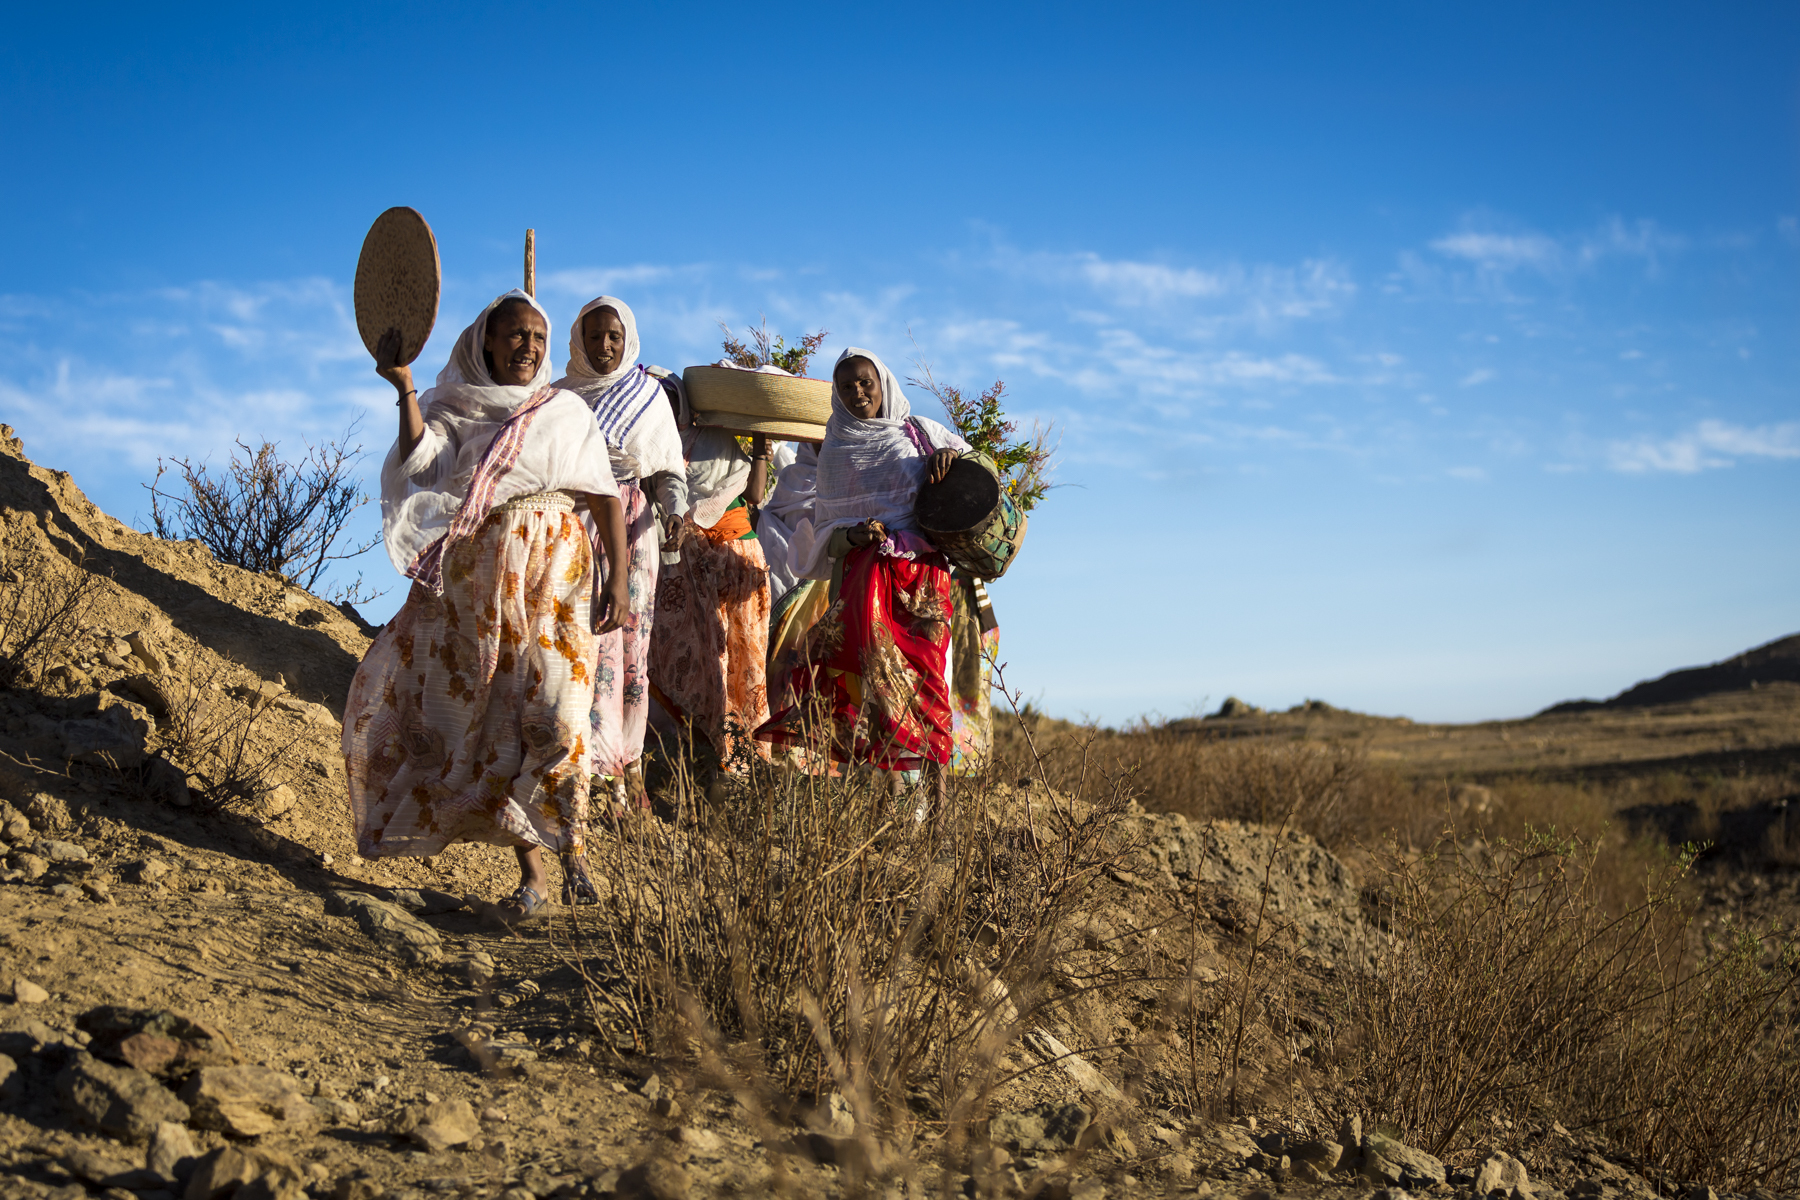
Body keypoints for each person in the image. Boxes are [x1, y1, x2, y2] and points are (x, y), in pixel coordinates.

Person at [343, 291, 631, 920]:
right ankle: (534, 877)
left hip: (559, 573)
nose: (528, 347)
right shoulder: (459, 409)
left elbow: (605, 497)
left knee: (560, 713)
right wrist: (405, 389)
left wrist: (621, 580)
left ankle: (573, 847)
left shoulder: (564, 411)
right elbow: (422, 463)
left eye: (537, 337)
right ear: (486, 344)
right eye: (514, 336)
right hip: (482, 582)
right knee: (499, 721)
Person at [756, 348, 968, 803]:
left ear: (882, 382)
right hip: (865, 584)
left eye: (865, 382)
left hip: (923, 581)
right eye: (847, 386)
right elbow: (824, 540)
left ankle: (940, 801)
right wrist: (854, 535)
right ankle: (894, 804)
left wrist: (946, 460)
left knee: (930, 679)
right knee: (880, 685)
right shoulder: (835, 453)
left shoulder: (921, 433)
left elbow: (972, 473)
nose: (857, 393)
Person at [552, 296, 687, 807]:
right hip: (572, 525)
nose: (604, 346)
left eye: (613, 336)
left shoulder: (646, 396)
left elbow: (668, 469)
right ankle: (584, 759)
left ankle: (625, 762)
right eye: (594, 336)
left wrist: (674, 511)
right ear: (578, 341)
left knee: (631, 645)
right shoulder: (560, 396)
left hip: (631, 529)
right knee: (580, 640)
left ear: (627, 337)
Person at [646, 376, 774, 773]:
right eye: (653, 401)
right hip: (689, 562)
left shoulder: (719, 441)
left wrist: (760, 452)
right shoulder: (651, 449)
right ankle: (710, 755)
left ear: (683, 402)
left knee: (745, 658)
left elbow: (752, 496)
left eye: (669, 399)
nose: (663, 408)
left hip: (737, 556)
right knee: (697, 657)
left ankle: (749, 761)